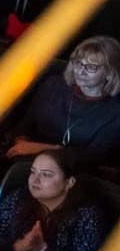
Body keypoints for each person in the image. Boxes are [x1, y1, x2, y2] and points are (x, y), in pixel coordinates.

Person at [7, 36, 120, 164]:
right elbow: (26, 123)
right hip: (27, 160)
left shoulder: (115, 112)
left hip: (71, 172)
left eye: (91, 67)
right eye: (78, 62)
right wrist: (21, 143)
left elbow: (91, 157)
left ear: (110, 74)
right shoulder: (52, 85)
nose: (80, 71)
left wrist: (45, 149)